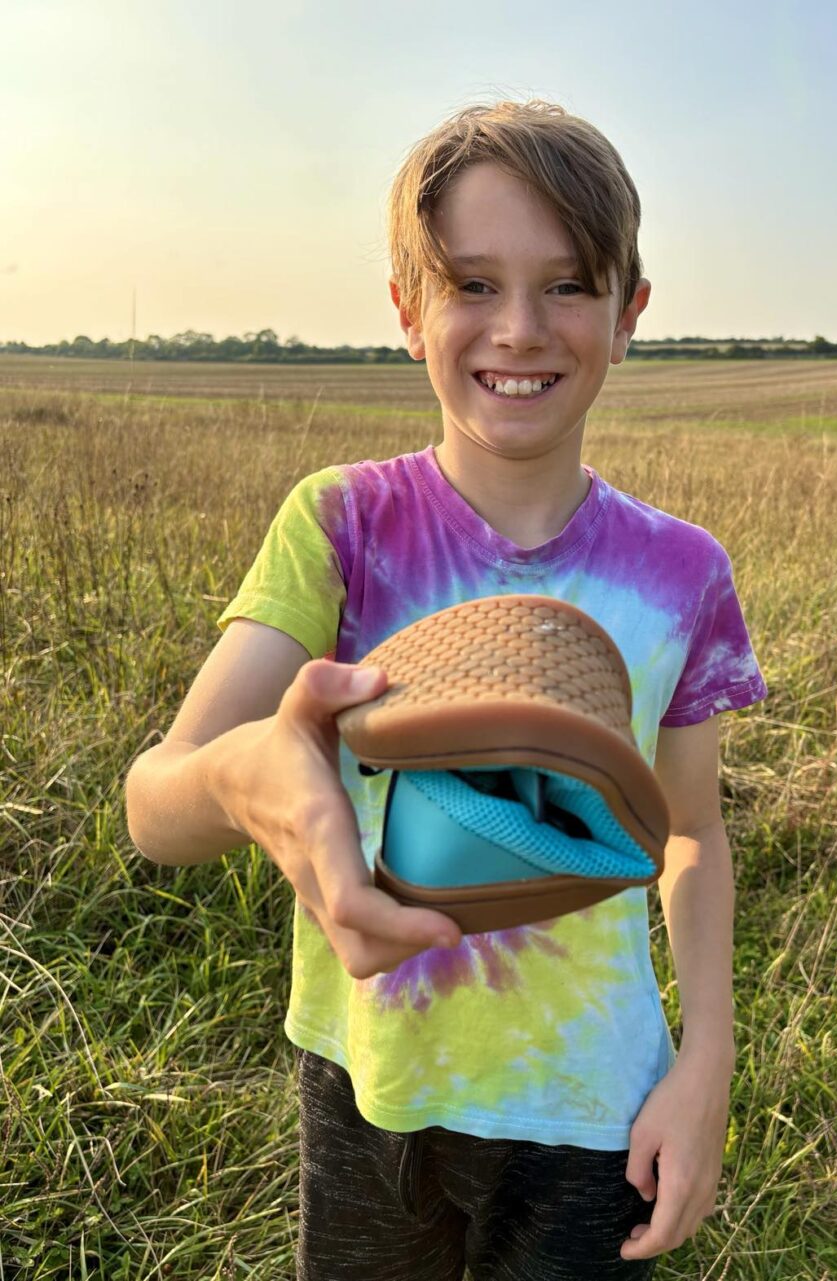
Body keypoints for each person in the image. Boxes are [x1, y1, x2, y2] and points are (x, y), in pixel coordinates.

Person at [125, 99, 767, 1280]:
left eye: (568, 284)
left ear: (628, 313)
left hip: (592, 1111)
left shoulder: (684, 572)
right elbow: (155, 809)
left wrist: (708, 1061)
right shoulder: (341, 523)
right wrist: (243, 776)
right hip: (370, 1085)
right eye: (473, 284)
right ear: (408, 309)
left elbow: (690, 830)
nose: (519, 329)